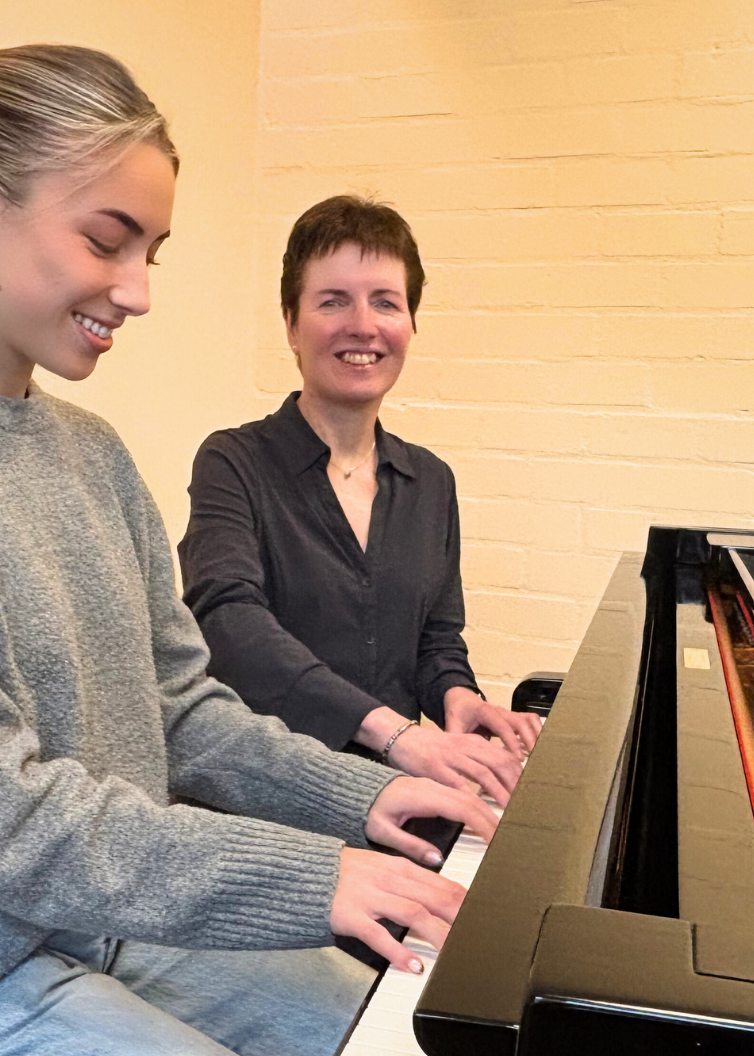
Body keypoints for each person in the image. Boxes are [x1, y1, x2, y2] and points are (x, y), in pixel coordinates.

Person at [0, 46, 491, 1056]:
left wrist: (362, 796)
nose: (136, 292)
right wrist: (317, 876)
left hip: (98, 922)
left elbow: (179, 709)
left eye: (153, 253)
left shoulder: (90, 453)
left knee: (412, 1050)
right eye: (107, 241)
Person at [179, 196, 543, 807]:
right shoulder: (232, 462)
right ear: (292, 324)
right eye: (333, 301)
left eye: (385, 302)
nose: (363, 325)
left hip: (396, 796)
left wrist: (457, 697)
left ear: (410, 324)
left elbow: (436, 642)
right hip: (267, 801)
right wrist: (394, 733)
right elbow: (230, 627)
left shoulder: (431, 481)